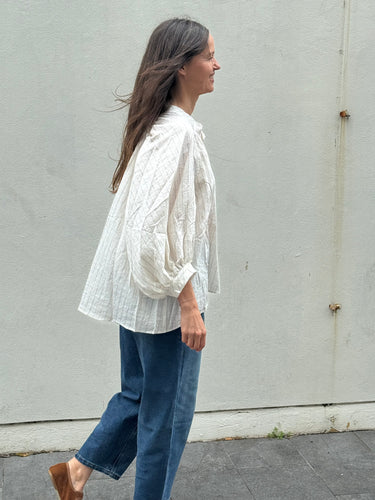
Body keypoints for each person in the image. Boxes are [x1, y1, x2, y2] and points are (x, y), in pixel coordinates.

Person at [48, 17, 221, 500]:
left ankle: (76, 473)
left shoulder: (159, 127)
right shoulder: (176, 134)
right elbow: (149, 235)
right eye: (208, 55)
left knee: (139, 396)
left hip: (142, 296)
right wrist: (188, 301)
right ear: (183, 65)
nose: (216, 63)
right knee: (164, 424)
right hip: (167, 303)